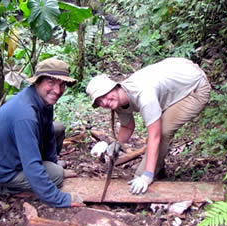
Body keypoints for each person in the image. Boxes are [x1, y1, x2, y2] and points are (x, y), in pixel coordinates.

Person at [86, 57, 211, 195]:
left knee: (163, 131)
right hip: (179, 75)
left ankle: (152, 173)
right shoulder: (118, 100)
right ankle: (159, 169)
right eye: (99, 101)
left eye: (105, 95)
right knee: (159, 129)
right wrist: (117, 144)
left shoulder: (143, 95)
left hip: (195, 88)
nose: (105, 102)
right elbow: (127, 126)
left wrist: (146, 176)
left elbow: (155, 136)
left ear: (115, 86)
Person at [0, 58, 83, 207]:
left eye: (62, 84)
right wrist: (61, 199)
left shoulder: (42, 100)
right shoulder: (25, 114)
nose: (57, 90)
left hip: (8, 154)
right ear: (37, 82)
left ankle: (50, 168)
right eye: (51, 82)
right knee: (56, 176)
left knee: (58, 128)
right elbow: (31, 166)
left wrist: (52, 163)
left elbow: (48, 133)